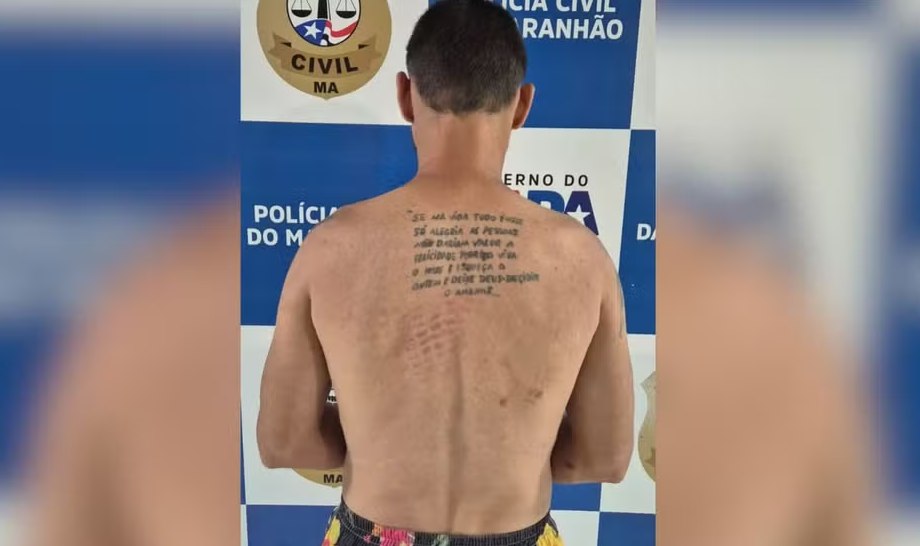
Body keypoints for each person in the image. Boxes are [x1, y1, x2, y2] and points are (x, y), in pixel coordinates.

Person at [256, 1, 635, 545]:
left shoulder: (331, 248)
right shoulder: (581, 258)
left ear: (405, 95)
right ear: (522, 105)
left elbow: (284, 443)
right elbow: (605, 458)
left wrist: (377, 442)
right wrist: (513, 450)